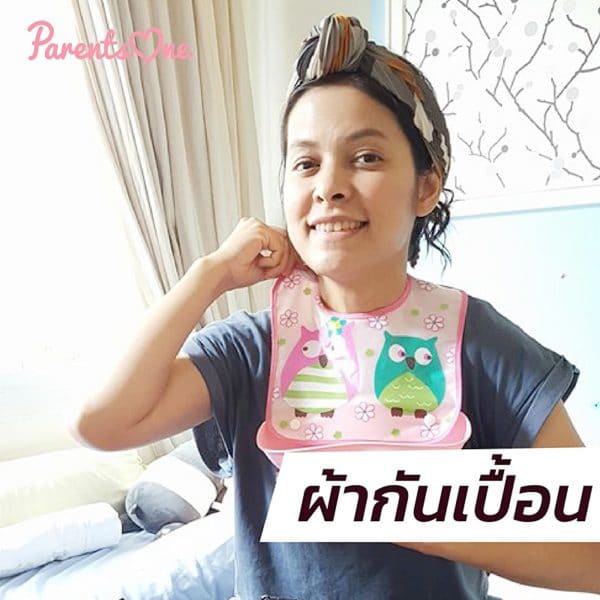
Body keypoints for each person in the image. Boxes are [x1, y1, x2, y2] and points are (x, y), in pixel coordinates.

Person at [73, 14, 598, 600]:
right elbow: (103, 424)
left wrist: (409, 508)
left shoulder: (475, 342)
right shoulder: (251, 349)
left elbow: (592, 552)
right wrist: (210, 273)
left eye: (366, 157)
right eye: (305, 163)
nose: (329, 186)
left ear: (426, 186)